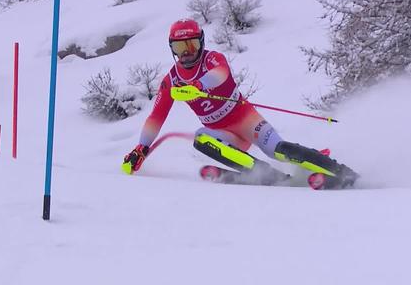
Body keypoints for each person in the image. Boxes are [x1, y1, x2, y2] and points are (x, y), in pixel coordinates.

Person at [121, 18, 358, 189]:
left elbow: (220, 74)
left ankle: (341, 171)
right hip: (223, 134)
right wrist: (141, 148)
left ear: (201, 43)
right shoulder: (171, 81)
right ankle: (267, 175)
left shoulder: (212, 59)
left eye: (191, 45)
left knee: (279, 151)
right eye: (179, 48)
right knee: (201, 138)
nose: (186, 53)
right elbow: (155, 118)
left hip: (246, 121)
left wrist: (198, 86)